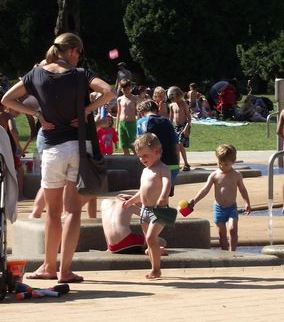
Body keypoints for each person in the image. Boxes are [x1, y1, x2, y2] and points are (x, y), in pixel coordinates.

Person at [1, 32, 115, 282]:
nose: (79, 58)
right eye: (79, 53)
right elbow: (109, 92)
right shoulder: (81, 74)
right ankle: (65, 270)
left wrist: (38, 115)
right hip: (80, 147)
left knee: (52, 212)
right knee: (73, 211)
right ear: (73, 51)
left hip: (53, 148)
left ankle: (49, 266)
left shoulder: (36, 74)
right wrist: (85, 110)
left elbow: (6, 99)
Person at [122, 133, 171, 279]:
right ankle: (154, 264)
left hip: (160, 210)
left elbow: (167, 183)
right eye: (139, 156)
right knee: (149, 241)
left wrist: (163, 196)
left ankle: (156, 269)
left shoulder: (163, 169)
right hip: (145, 211)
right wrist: (131, 200)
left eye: (145, 155)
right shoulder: (145, 171)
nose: (142, 159)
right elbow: (142, 191)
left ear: (156, 152)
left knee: (150, 237)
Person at [189, 144, 251, 251]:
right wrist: (195, 200)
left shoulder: (237, 175)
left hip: (232, 207)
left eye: (225, 164)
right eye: (219, 163)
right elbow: (205, 190)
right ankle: (225, 251)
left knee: (232, 229)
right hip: (219, 208)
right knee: (221, 233)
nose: (222, 166)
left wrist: (247, 203)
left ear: (233, 161)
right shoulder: (214, 175)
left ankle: (233, 252)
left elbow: (242, 190)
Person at [137, 99, 180, 196]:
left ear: (142, 112)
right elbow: (176, 145)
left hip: (155, 165)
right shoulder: (167, 122)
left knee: (153, 197)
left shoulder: (142, 122)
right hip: (171, 163)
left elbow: (140, 145)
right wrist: (177, 163)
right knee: (164, 197)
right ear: (156, 110)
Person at [101, 197, 167, 254]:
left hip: (113, 247)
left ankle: (143, 249)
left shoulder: (104, 203)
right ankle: (149, 250)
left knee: (140, 242)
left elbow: (105, 227)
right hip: (128, 241)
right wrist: (139, 204)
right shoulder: (127, 205)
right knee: (162, 242)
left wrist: (109, 248)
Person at [168, 86, 192, 171]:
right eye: (172, 98)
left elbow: (189, 118)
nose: (174, 100)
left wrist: (186, 128)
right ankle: (185, 163)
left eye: (175, 98)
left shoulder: (183, 104)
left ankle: (181, 164)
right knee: (177, 146)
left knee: (179, 144)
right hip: (176, 127)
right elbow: (170, 118)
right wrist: (169, 127)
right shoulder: (172, 105)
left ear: (178, 96)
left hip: (184, 126)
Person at [116, 78, 138, 155]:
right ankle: (127, 158)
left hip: (131, 123)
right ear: (121, 89)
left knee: (133, 144)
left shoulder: (135, 98)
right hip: (122, 124)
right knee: (123, 144)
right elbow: (118, 113)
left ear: (130, 88)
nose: (126, 90)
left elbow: (138, 111)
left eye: (128, 88)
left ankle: (137, 160)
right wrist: (116, 126)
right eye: (124, 89)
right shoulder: (119, 99)